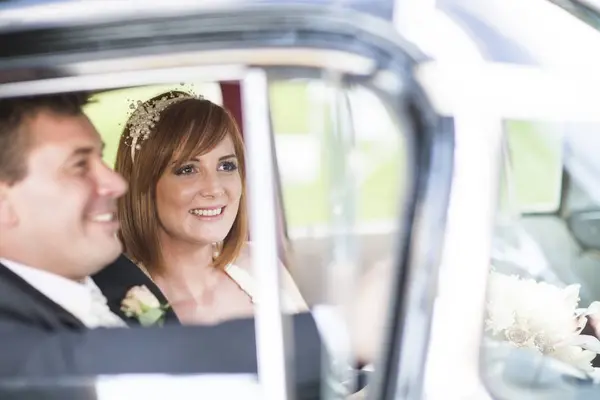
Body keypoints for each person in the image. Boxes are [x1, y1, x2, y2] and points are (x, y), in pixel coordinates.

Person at [0, 92, 390, 398]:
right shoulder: (103, 291)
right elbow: (97, 369)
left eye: (227, 164)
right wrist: (341, 331)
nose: (114, 184)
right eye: (78, 166)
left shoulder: (101, 275)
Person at [108, 90, 305, 325]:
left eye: (226, 166)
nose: (214, 188)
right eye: (188, 170)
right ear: (143, 186)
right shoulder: (122, 299)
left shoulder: (261, 264)